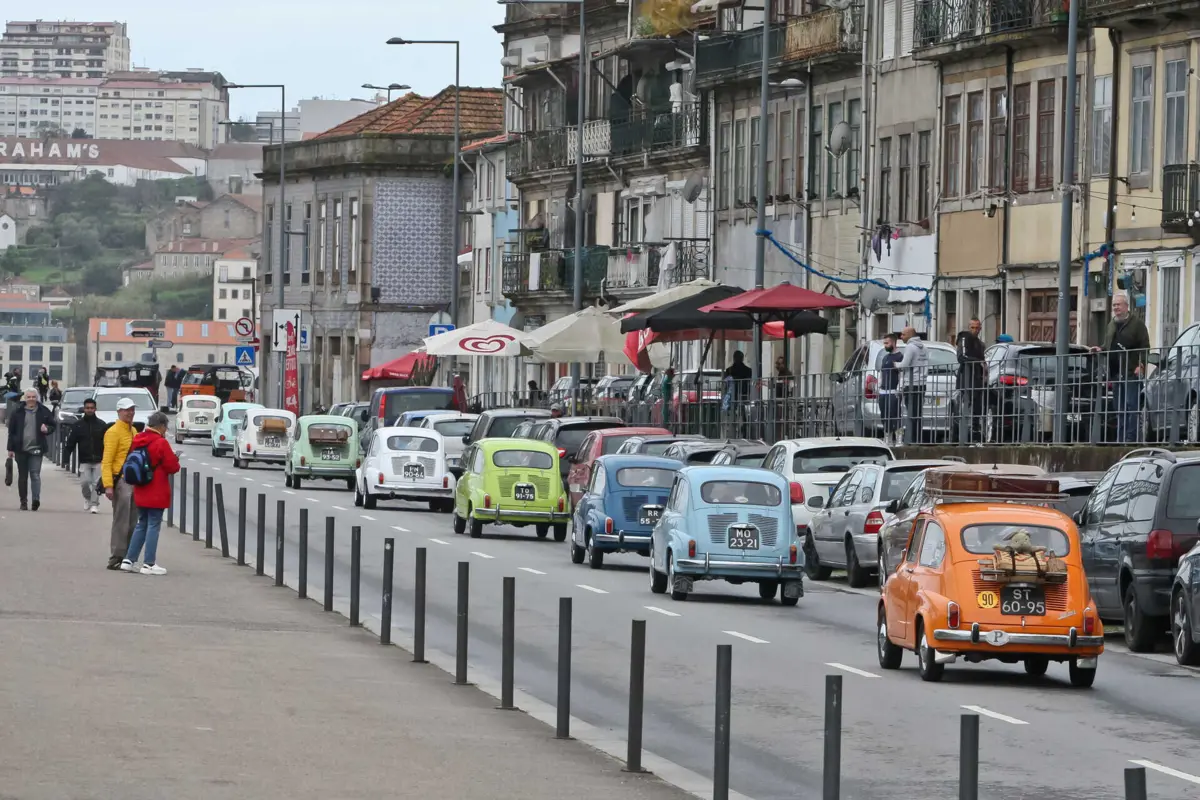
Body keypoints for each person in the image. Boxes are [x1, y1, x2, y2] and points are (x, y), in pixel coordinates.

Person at [120, 411, 180, 575]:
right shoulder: (161, 443)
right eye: (165, 428)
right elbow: (172, 467)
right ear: (161, 426)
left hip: (140, 488)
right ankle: (149, 563)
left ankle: (128, 560)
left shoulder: (138, 439)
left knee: (142, 523)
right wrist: (176, 458)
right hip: (156, 489)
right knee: (154, 525)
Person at [1091, 293, 1150, 443]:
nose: (1116, 308)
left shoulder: (1137, 324)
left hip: (1131, 372)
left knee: (1132, 407)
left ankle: (1131, 439)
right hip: (1116, 372)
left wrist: (1141, 365)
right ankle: (1120, 438)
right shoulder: (1111, 324)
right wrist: (1101, 349)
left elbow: (1145, 347)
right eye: (1114, 305)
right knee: (1119, 408)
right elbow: (1108, 344)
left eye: (1118, 305)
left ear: (1126, 306)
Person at [102, 398, 138, 570]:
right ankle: (117, 555)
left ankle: (129, 556)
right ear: (119, 412)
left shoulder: (134, 431)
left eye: (131, 409)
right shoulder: (113, 432)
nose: (129, 412)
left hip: (134, 481)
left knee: (133, 521)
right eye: (126, 410)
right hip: (121, 480)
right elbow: (107, 460)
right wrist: (108, 485)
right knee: (121, 521)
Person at [6, 388, 55, 511]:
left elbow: (53, 425)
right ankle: (23, 501)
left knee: (35, 474)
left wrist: (47, 429)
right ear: (25, 398)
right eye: (29, 397)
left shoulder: (43, 411)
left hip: (37, 448)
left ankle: (35, 500)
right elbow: (11, 431)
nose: (31, 399)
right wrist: (10, 448)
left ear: (37, 398)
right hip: (20, 448)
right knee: (22, 476)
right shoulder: (17, 412)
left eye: (33, 397)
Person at [65, 397, 107, 513]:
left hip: (99, 459)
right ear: (84, 409)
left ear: (95, 409)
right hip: (84, 459)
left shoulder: (101, 424)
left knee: (95, 483)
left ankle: (94, 504)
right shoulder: (78, 425)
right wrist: (66, 457)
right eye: (87, 408)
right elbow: (71, 442)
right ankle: (88, 498)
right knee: (84, 482)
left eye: (92, 408)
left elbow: (107, 442)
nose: (89, 410)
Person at [956, 317, 986, 442]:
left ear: (980, 328)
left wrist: (984, 368)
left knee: (977, 407)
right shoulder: (964, 338)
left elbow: (983, 360)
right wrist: (979, 362)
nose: (975, 330)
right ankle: (961, 434)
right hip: (966, 378)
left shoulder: (980, 344)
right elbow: (962, 357)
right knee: (964, 405)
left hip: (977, 378)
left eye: (977, 327)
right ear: (969, 328)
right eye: (972, 327)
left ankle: (975, 433)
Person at [897, 327, 928, 444]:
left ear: (910, 335)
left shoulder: (910, 347)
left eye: (903, 334)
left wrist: (896, 365)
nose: (901, 337)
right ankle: (917, 437)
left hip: (911, 383)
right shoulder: (924, 347)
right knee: (917, 413)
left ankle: (911, 439)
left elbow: (904, 365)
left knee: (910, 412)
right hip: (922, 383)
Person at [879, 333, 904, 446]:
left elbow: (902, 374)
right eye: (884, 343)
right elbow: (881, 373)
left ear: (894, 343)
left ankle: (899, 439)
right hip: (883, 391)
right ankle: (887, 438)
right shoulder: (885, 358)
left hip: (894, 391)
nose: (885, 345)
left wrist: (899, 389)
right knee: (884, 416)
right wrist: (879, 386)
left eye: (887, 343)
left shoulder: (900, 357)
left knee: (895, 415)